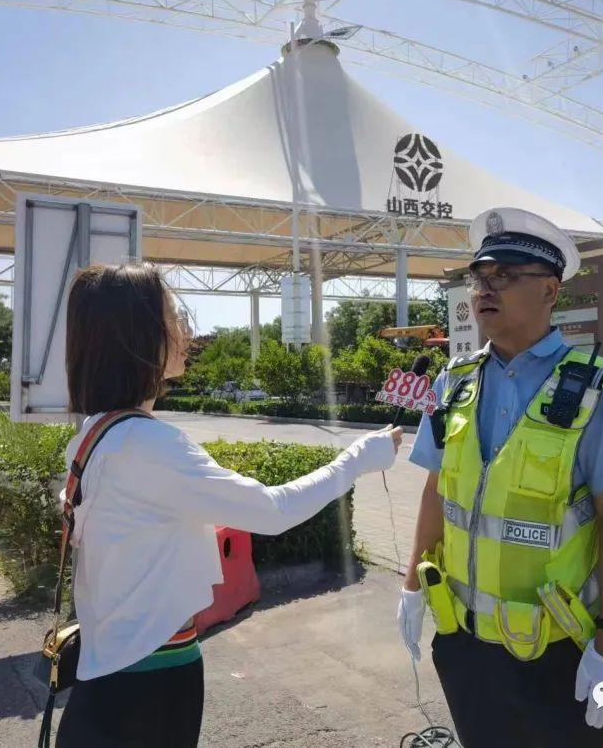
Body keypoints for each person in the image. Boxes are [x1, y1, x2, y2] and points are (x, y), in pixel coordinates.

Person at [55, 263, 402, 747]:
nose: (186, 332)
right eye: (173, 317)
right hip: (146, 682)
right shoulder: (149, 445)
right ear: (136, 335)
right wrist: (360, 456)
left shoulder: (96, 433)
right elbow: (273, 511)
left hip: (110, 668)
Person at [396, 207, 603, 747]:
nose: (484, 290)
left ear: (550, 291)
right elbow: (436, 491)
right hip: (464, 641)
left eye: (505, 277)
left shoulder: (599, 389)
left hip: (558, 652)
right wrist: (412, 589)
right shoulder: (455, 382)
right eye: (479, 278)